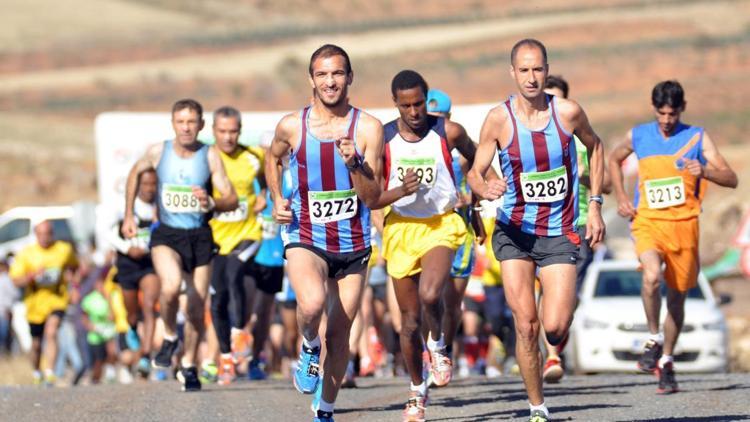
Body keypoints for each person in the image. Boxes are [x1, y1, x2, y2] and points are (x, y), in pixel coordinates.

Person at [467, 39, 606, 422]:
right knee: (526, 324)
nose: (531, 77)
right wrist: (484, 186)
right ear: (513, 73)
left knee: (555, 325)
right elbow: (475, 173)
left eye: (538, 69)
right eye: (524, 70)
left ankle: (556, 339)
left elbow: (596, 149)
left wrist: (594, 206)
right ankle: (537, 408)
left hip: (559, 232)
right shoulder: (499, 119)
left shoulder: (568, 113)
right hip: (514, 233)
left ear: (547, 70)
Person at [265, 44, 383, 422]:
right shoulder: (291, 126)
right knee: (313, 305)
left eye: (337, 74)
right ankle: (308, 345)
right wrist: (277, 198)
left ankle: (325, 410)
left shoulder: (368, 128)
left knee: (341, 334)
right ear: (311, 80)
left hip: (353, 243)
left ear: (349, 77)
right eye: (322, 74)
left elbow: (373, 195)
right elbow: (273, 158)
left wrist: (356, 164)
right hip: (306, 235)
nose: (330, 82)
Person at [609, 80, 737, 394]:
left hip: (685, 226)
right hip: (648, 222)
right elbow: (613, 159)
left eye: (672, 113)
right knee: (651, 276)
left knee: (677, 300)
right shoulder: (639, 135)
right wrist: (622, 198)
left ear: (682, 109)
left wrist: (704, 170)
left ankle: (666, 360)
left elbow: (731, 178)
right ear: (654, 109)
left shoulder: (697, 137)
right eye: (661, 113)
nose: (666, 120)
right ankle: (653, 338)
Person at [377, 70, 478, 421]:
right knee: (408, 323)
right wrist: (400, 191)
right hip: (401, 229)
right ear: (396, 104)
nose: (414, 111)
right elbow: (373, 197)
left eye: (419, 103)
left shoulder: (447, 131)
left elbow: (477, 159)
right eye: (406, 105)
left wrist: (482, 188)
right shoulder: (383, 138)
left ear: (426, 99)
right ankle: (417, 392)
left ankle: (437, 346)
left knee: (431, 295)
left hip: (441, 225)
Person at [121, 98, 238, 392]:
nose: (186, 128)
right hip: (168, 235)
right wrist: (128, 215)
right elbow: (135, 173)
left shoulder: (210, 155)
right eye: (180, 122)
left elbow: (231, 198)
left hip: (199, 237)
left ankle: (188, 365)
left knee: (198, 309)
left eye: (191, 122)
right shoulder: (158, 151)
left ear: (200, 125)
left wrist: (212, 201)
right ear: (173, 124)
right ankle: (170, 334)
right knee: (171, 286)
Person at [540, 75, 612, 383]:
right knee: (545, 289)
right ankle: (552, 355)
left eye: (556, 100)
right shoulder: (534, 141)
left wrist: (582, 177)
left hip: (576, 224)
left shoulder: (581, 143)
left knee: (568, 298)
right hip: (539, 224)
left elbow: (606, 183)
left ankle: (557, 339)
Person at [425, 88, 487, 379]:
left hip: (459, 231)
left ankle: (444, 350)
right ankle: (430, 348)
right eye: (431, 117)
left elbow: (479, 182)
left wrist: (473, 207)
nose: (435, 123)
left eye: (441, 118)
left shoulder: (463, 152)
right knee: (428, 295)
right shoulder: (415, 149)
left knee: (452, 301)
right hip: (426, 231)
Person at [206, 106, 266, 385]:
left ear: (239, 131)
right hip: (216, 239)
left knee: (234, 276)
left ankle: (240, 330)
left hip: (248, 234)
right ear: (213, 131)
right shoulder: (206, 158)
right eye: (222, 131)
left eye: (233, 131)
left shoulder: (254, 156)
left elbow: (269, 177)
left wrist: (265, 194)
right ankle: (227, 359)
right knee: (217, 298)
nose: (228, 137)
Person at [9, 220, 79, 386]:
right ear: (36, 234)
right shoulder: (26, 254)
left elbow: (75, 266)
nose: (45, 238)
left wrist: (73, 284)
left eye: (48, 234)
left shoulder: (63, 249)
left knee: (51, 331)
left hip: (57, 300)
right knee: (36, 344)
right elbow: (16, 280)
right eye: (41, 234)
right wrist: (31, 276)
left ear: (52, 233)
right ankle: (37, 371)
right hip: (34, 305)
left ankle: (49, 372)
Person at [110, 167, 160, 378]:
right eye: (145, 184)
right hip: (128, 263)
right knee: (132, 313)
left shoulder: (161, 206)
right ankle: (132, 328)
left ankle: (145, 356)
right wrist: (127, 248)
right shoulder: (126, 207)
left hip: (150, 263)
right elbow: (108, 233)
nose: (149, 189)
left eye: (153, 184)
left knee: (149, 306)